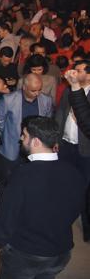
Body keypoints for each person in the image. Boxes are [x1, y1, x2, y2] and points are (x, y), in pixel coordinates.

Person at [0, 116, 85, 279]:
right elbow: (76, 209)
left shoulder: (23, 174)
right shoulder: (74, 173)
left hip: (25, 254)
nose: (21, 138)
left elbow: (7, 216)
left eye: (24, 135)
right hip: (59, 253)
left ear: (36, 141)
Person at [0, 73, 54, 189]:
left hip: (35, 148)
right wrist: (8, 135)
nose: (37, 93)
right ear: (24, 87)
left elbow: (47, 122)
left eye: (39, 90)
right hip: (13, 147)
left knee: (31, 182)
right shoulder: (8, 99)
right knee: (9, 182)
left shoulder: (46, 100)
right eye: (33, 90)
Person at [59, 62, 90, 242]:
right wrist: (56, 140)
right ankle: (62, 219)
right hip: (66, 145)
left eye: (78, 71)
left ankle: (87, 227)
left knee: (85, 189)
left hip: (85, 150)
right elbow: (60, 113)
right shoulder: (69, 90)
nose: (74, 73)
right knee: (63, 183)